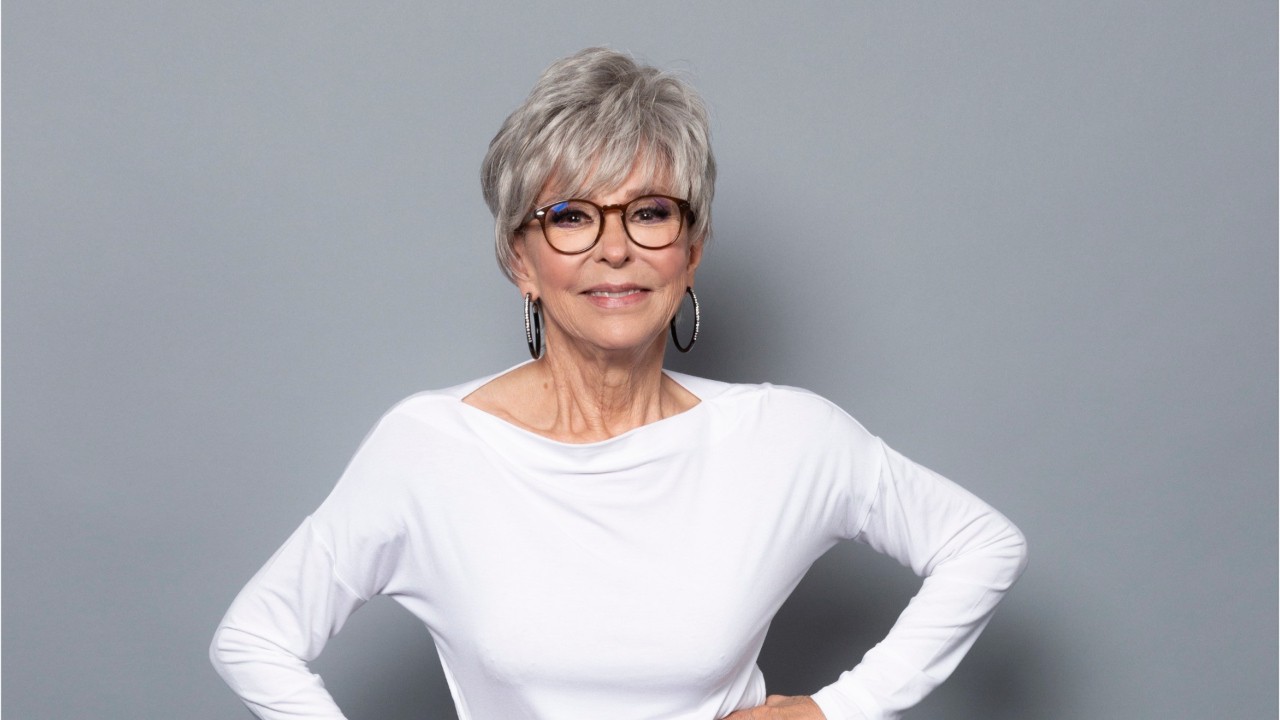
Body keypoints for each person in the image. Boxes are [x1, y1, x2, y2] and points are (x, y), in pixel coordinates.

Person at [210, 47, 1027, 720]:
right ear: (520, 260)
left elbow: (981, 544)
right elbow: (254, 638)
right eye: (571, 216)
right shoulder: (431, 449)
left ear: (690, 250)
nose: (615, 248)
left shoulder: (784, 439)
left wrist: (840, 709)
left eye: (649, 212)